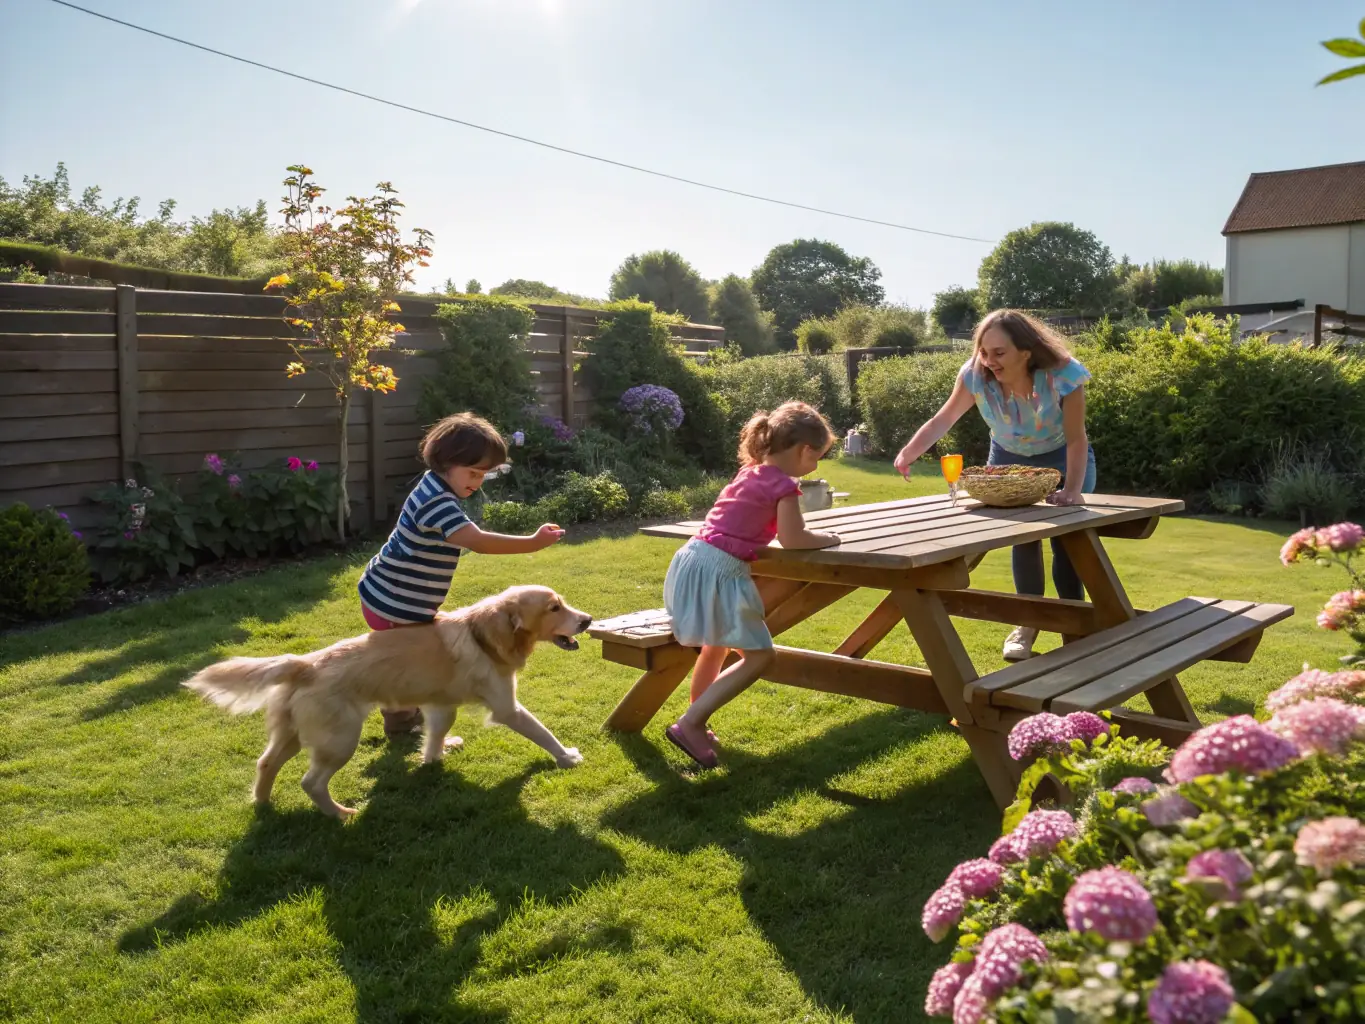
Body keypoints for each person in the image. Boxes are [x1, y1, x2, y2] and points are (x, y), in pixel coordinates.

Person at [892, 309, 1096, 662]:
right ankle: (1026, 625)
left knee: (1068, 542)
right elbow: (946, 417)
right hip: (1006, 458)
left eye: (999, 353)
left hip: (1065, 457)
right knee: (1023, 538)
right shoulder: (975, 376)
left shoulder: (1064, 374)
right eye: (984, 352)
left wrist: (1073, 489)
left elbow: (1077, 439)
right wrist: (909, 452)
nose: (989, 361)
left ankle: (1073, 630)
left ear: (1026, 350)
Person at [358, 413, 564, 740]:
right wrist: (532, 543)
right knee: (413, 668)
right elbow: (477, 541)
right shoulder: (437, 502)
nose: (477, 482)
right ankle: (402, 726)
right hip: (395, 605)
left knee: (410, 663)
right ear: (446, 461)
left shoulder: (434, 483)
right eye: (472, 473)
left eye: (484, 475)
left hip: (386, 594)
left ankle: (403, 718)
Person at [664, 401, 841, 768]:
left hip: (693, 558)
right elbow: (794, 539)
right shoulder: (784, 487)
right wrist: (828, 538)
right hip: (723, 570)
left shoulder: (750, 473)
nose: (816, 466)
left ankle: (698, 720)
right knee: (760, 656)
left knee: (715, 647)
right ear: (803, 450)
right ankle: (690, 723)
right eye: (817, 457)